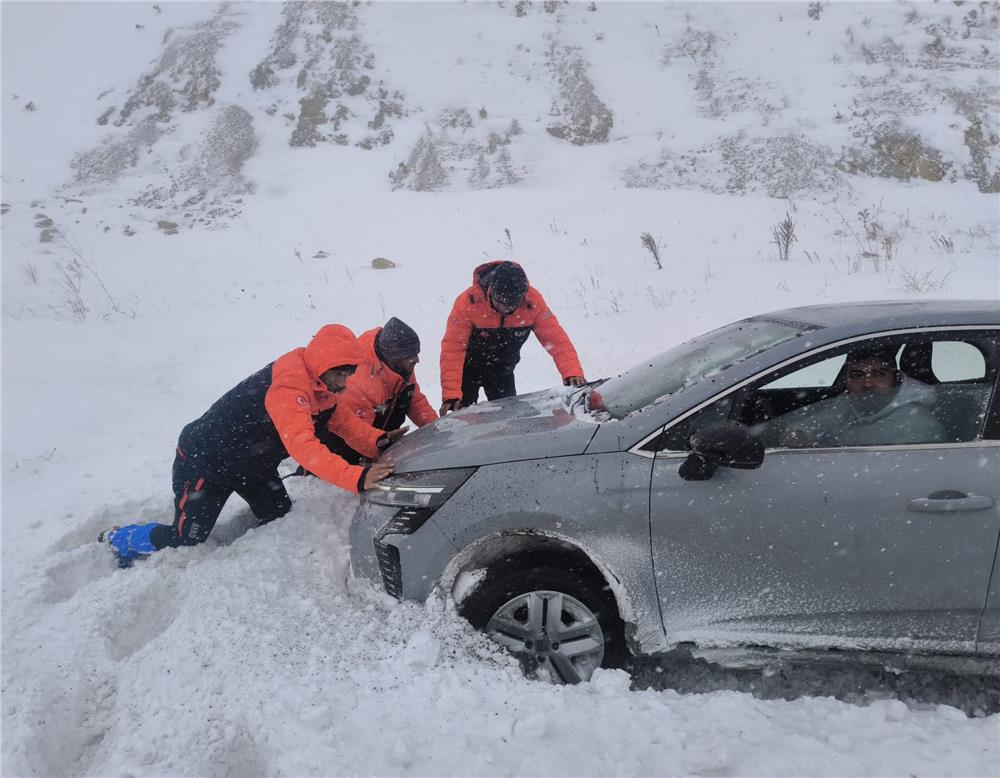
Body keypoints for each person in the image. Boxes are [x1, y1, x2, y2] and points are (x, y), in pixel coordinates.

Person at [101, 324, 394, 566]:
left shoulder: (323, 385)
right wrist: (356, 478)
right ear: (323, 364)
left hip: (253, 465)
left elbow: (341, 421)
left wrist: (376, 441)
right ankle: (120, 539)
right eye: (341, 373)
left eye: (349, 373)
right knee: (186, 538)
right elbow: (303, 448)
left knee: (278, 513)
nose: (345, 381)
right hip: (206, 462)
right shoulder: (289, 388)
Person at [439, 260, 585, 414]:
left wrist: (572, 372)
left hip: (502, 370)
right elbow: (452, 349)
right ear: (490, 290)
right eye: (499, 302)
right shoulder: (468, 302)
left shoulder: (533, 302)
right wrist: (451, 394)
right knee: (460, 419)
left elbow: (557, 340)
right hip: (466, 369)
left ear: (522, 297)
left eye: (510, 305)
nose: (504, 309)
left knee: (508, 419)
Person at [773, 346, 946, 448]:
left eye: (878, 374)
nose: (867, 383)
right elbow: (819, 423)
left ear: (895, 379)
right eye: (857, 375)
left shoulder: (918, 427)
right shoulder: (848, 404)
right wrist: (800, 434)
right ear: (846, 381)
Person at [322, 317, 437, 463]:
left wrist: (436, 430)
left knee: (404, 394)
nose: (417, 359)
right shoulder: (359, 380)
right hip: (344, 448)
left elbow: (415, 400)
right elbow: (357, 434)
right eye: (410, 355)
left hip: (377, 431)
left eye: (416, 353)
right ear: (392, 357)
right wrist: (382, 455)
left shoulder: (402, 366)